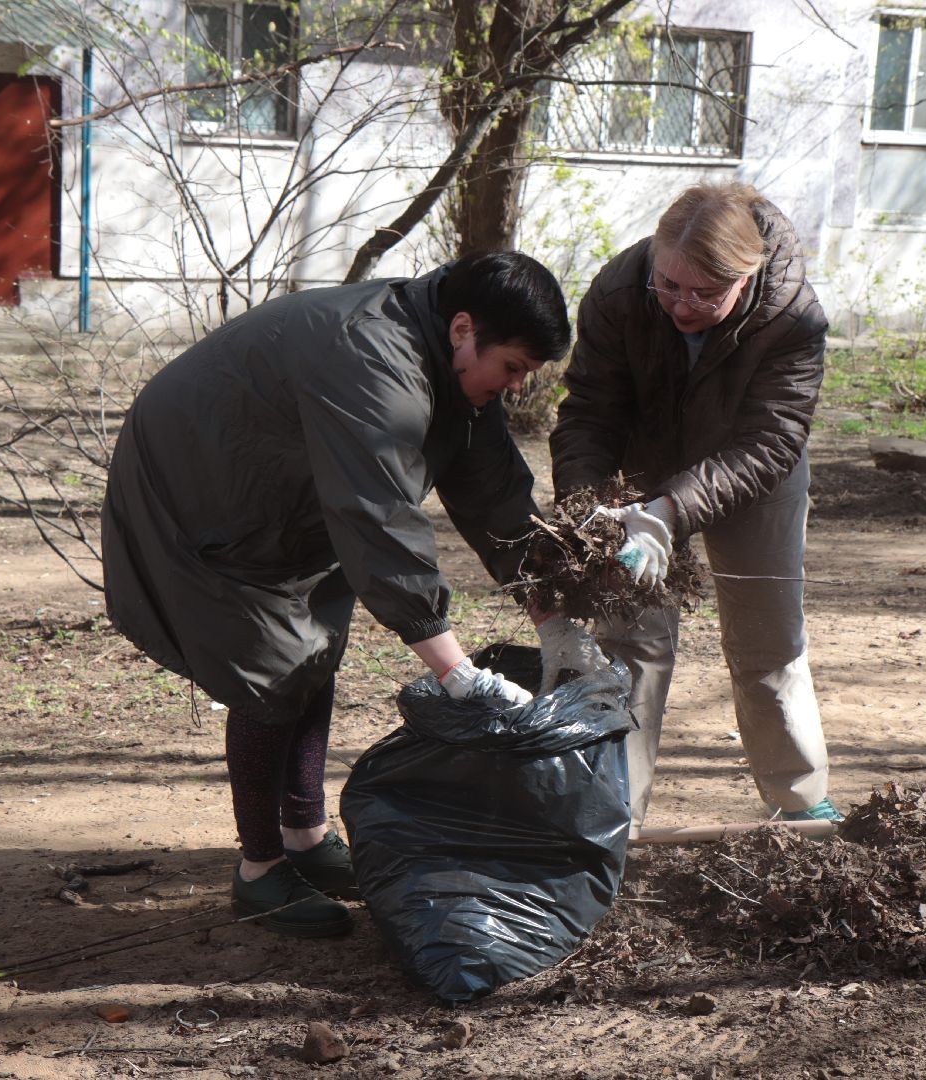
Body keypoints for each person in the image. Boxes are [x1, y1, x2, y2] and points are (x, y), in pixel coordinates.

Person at [101, 252, 593, 938]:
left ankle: (305, 837)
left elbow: (496, 496)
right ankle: (259, 871)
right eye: (510, 368)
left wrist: (552, 613)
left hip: (286, 492)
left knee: (313, 653)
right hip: (198, 486)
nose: (511, 387)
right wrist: (459, 675)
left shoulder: (449, 369)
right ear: (462, 329)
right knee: (267, 667)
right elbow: (380, 522)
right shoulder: (374, 361)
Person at [549, 181, 838, 838]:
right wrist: (591, 506)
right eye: (669, 286)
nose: (682, 303)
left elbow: (773, 439)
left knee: (768, 640)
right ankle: (615, 815)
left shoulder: (793, 316)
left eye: (705, 292)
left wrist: (672, 511)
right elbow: (589, 411)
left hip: (753, 472)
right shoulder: (622, 292)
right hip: (638, 466)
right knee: (631, 641)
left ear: (746, 276)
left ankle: (798, 799)